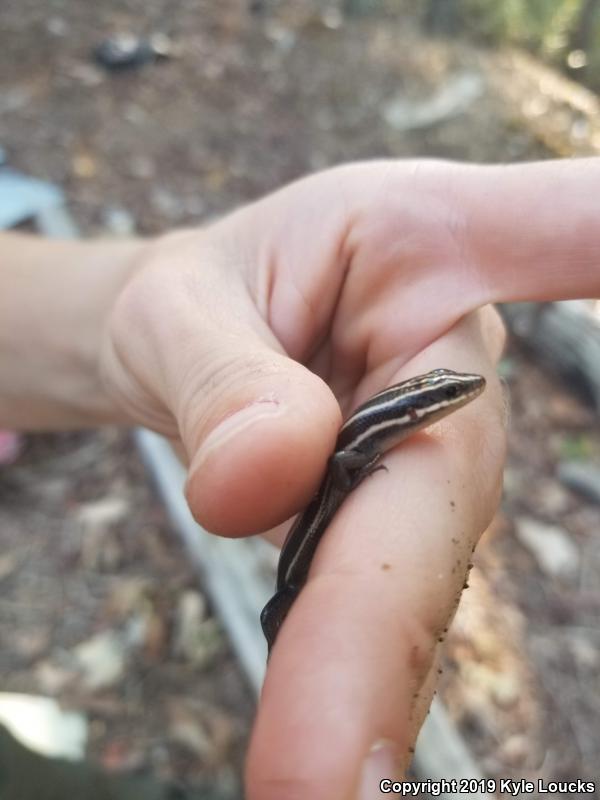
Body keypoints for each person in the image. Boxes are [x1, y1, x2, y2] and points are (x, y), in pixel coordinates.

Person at [1, 158, 598, 800]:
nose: (457, 397)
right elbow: (345, 461)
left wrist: (166, 312)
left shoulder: (396, 413)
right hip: (301, 556)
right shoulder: (382, 430)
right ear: (424, 407)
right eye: (449, 394)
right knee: (289, 603)